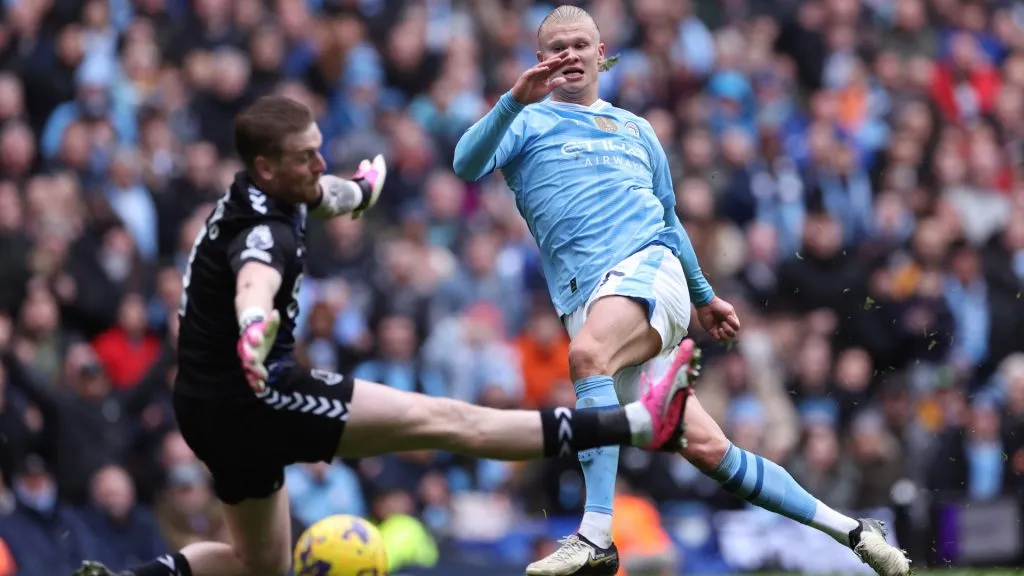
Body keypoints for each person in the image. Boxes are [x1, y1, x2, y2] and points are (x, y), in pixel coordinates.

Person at [74, 95, 699, 576]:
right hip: (256, 395)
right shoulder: (262, 234)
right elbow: (254, 285)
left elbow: (323, 193)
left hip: (206, 405)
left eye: (319, 150)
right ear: (267, 167)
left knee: (256, 566)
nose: (320, 164)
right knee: (451, 421)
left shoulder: (260, 190)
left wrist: (361, 192)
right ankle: (638, 424)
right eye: (306, 157)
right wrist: (255, 327)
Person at [451, 5, 910, 576]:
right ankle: (854, 531)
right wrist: (514, 98)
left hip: (646, 271)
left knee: (588, 356)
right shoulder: (523, 121)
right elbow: (465, 164)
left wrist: (703, 294)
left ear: (601, 54)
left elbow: (667, 221)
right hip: (592, 301)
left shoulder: (637, 130)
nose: (569, 54)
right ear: (540, 59)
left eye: (581, 44)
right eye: (557, 47)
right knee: (709, 449)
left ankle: (595, 535)